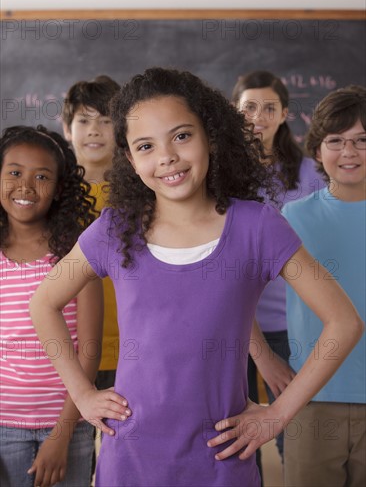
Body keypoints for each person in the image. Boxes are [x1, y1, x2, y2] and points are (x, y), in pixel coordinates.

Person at [29, 68, 363, 487]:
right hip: (129, 459)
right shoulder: (116, 229)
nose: (166, 156)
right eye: (146, 146)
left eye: (181, 136)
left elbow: (344, 322)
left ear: (210, 135)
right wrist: (81, 394)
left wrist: (278, 415)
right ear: (131, 160)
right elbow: (43, 303)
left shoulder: (256, 226)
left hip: (221, 461)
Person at [231, 70, 325, 471]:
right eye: (249, 107)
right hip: (232, 328)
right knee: (235, 439)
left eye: (270, 107)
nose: (259, 116)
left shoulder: (310, 175)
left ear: (284, 113)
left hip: (294, 324)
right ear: (235, 113)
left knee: (295, 438)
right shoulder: (221, 175)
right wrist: (261, 354)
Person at [0, 125, 103, 487]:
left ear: (59, 189)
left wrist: (61, 435)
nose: (25, 186)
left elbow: (89, 353)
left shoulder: (76, 257)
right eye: (14, 172)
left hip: (68, 426)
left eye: (41, 176)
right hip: (3, 427)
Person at [282, 85, 366, 487]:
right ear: (317, 150)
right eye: (336, 140)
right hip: (312, 398)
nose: (349, 152)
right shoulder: (292, 216)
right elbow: (236, 290)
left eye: (363, 140)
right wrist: (262, 356)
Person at [62, 75, 120, 391]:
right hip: (69, 351)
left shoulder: (141, 194)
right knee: (78, 439)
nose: (95, 130)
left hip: (131, 349)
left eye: (106, 120)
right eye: (84, 120)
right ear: (67, 128)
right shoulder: (53, 194)